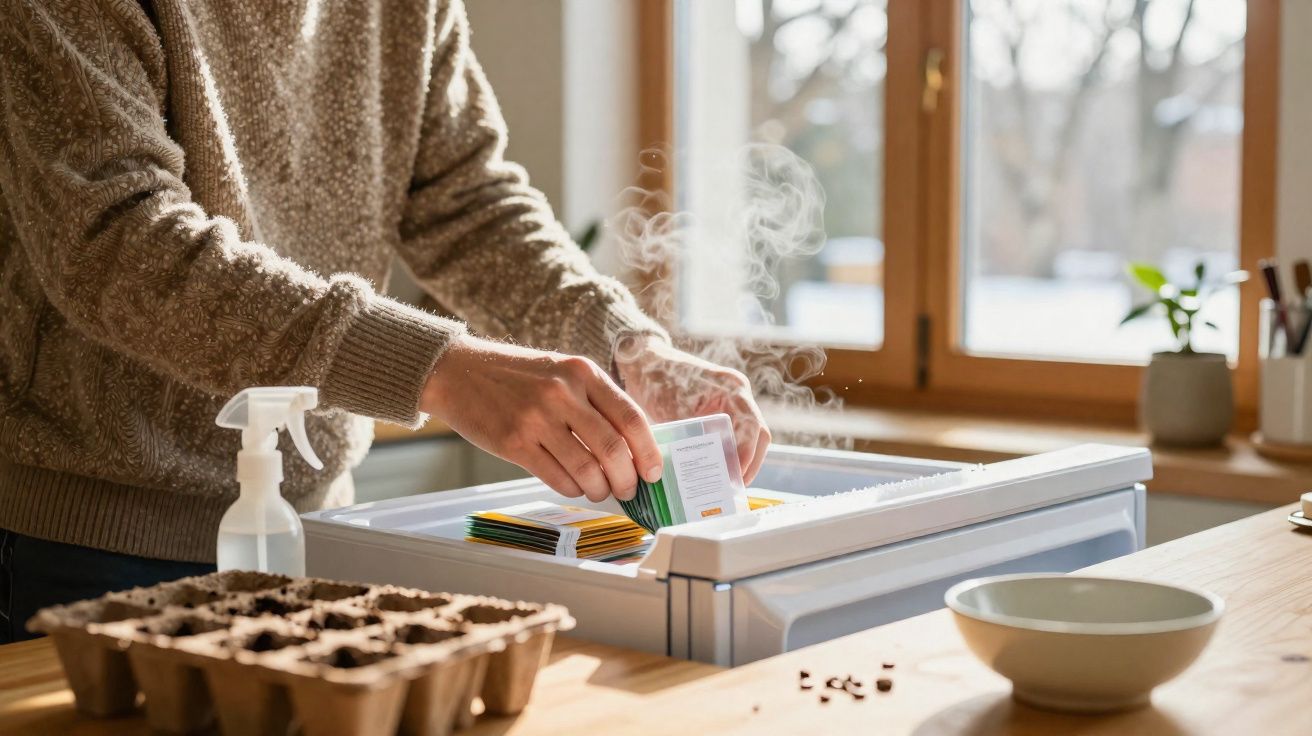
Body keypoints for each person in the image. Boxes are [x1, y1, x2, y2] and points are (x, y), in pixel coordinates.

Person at [0, 0, 770, 643]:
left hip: (315, 529)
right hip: (85, 540)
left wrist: (626, 348)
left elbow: (469, 206)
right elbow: (117, 244)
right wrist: (440, 369)